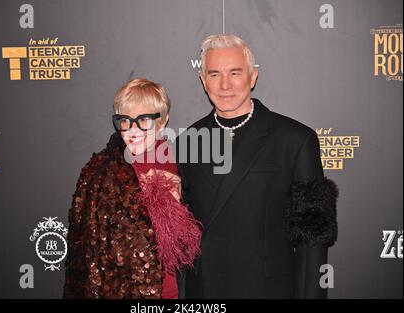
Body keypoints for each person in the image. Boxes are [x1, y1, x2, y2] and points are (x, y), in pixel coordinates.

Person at [176, 34, 338, 298]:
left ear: (253, 77)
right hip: (205, 291)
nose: (225, 85)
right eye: (215, 74)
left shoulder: (295, 139)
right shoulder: (187, 142)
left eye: (235, 73)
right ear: (203, 81)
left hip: (267, 289)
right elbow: (181, 237)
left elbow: (313, 238)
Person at [64, 78, 202, 299]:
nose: (133, 129)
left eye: (144, 119)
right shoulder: (100, 173)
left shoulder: (185, 166)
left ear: (163, 120)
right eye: (125, 120)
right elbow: (86, 254)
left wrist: (173, 202)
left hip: (175, 293)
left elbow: (195, 246)